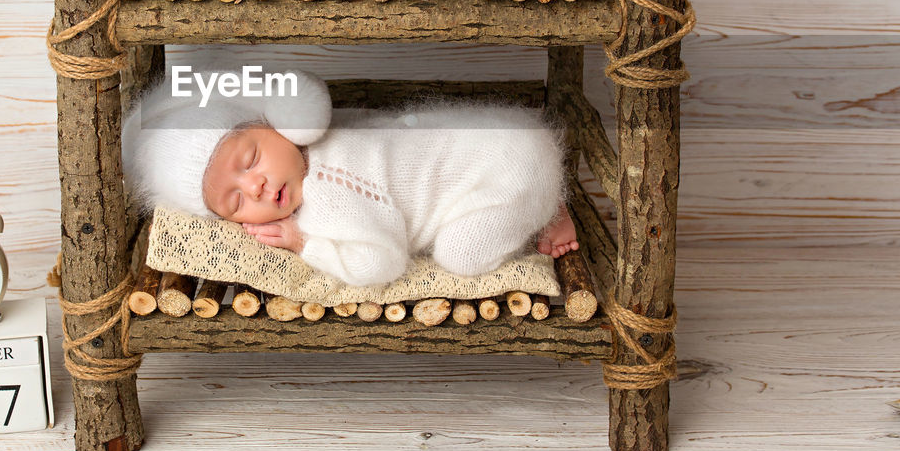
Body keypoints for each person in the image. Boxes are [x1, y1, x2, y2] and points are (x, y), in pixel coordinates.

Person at [122, 64, 579, 288]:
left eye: (250, 159)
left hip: (509, 166)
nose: (256, 186)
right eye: (237, 201)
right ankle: (544, 198)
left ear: (273, 124)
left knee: (462, 257)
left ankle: (541, 209)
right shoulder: (323, 142)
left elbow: (381, 263)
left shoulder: (325, 196)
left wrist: (304, 242)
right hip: (503, 142)